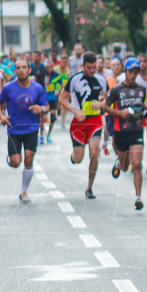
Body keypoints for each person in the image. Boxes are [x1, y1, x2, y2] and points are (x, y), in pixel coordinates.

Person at [0, 59, 48, 203]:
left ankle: (24, 191)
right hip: (14, 129)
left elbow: (47, 106)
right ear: (15, 71)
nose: (21, 70)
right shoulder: (8, 88)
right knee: (16, 162)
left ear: (29, 70)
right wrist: (1, 116)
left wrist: (42, 109)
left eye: (24, 67)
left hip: (32, 128)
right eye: (18, 68)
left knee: (29, 158)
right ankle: (10, 159)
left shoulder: (37, 88)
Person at [60, 52, 108, 199]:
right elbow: (62, 99)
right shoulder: (74, 79)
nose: (93, 70)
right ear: (83, 65)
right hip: (79, 122)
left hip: (95, 120)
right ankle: (73, 157)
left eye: (95, 67)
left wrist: (100, 104)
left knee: (94, 152)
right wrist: (75, 111)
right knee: (79, 159)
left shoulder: (101, 79)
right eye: (89, 67)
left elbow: (109, 99)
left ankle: (89, 188)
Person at [104, 57, 147, 210]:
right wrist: (120, 113)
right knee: (124, 166)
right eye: (130, 72)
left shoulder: (141, 89)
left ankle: (138, 197)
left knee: (136, 164)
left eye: (136, 72)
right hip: (120, 132)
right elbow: (105, 107)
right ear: (125, 71)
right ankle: (118, 162)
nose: (133, 75)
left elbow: (141, 103)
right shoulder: (116, 89)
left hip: (136, 130)